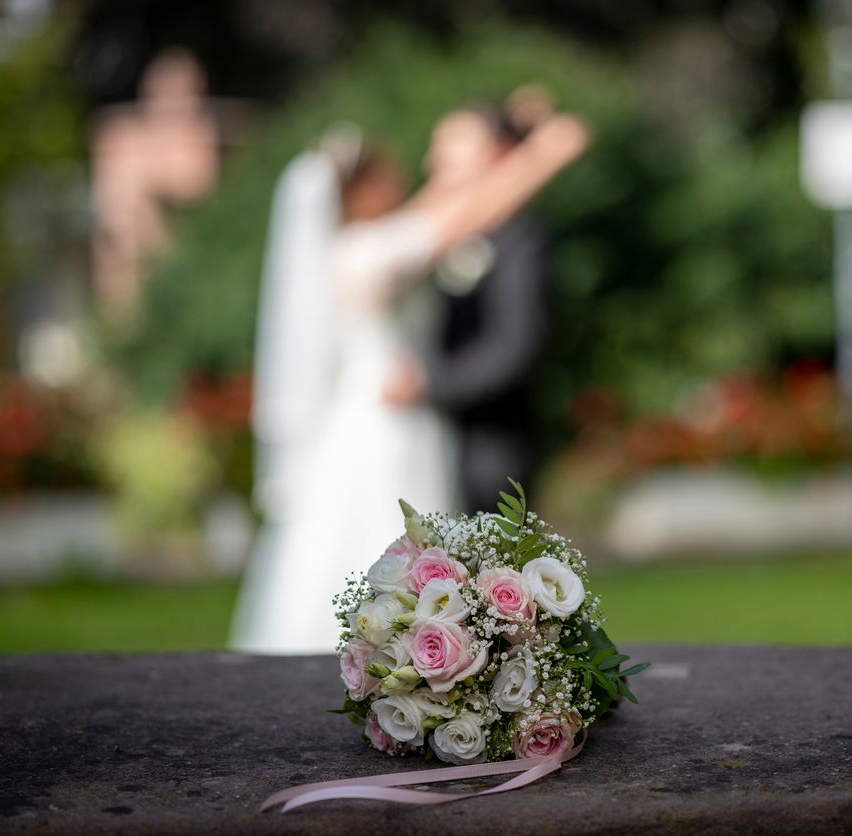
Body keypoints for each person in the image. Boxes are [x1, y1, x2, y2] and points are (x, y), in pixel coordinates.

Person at [230, 108, 589, 654]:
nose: (407, 177)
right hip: (385, 420)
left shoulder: (365, 241)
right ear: (362, 191)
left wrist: (503, 138)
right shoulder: (370, 253)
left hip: (386, 413)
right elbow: (467, 212)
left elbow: (441, 206)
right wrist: (543, 154)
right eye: (387, 173)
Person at [383, 100, 554, 514]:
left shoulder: (518, 236)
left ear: (499, 152)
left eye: (454, 143)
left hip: (485, 446)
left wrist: (431, 383)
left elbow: (517, 344)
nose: (434, 159)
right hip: (401, 434)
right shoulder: (425, 233)